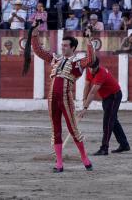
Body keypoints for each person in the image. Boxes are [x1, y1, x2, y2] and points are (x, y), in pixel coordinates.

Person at [30, 20, 95, 173]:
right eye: (62, 45)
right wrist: (34, 33)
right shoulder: (56, 59)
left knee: (73, 130)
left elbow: (90, 60)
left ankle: (85, 159)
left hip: (66, 98)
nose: (63, 47)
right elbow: (39, 51)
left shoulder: (77, 62)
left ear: (73, 48)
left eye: (66, 45)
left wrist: (89, 40)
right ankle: (59, 164)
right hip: (52, 99)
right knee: (56, 130)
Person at [80, 58, 130, 156]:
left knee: (108, 121)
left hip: (114, 96)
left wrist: (85, 108)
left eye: (93, 68)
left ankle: (104, 148)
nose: (91, 70)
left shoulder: (101, 73)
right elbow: (87, 86)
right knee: (113, 120)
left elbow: (93, 92)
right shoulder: (90, 71)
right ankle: (124, 144)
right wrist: (83, 101)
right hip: (106, 97)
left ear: (98, 66)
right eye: (90, 68)